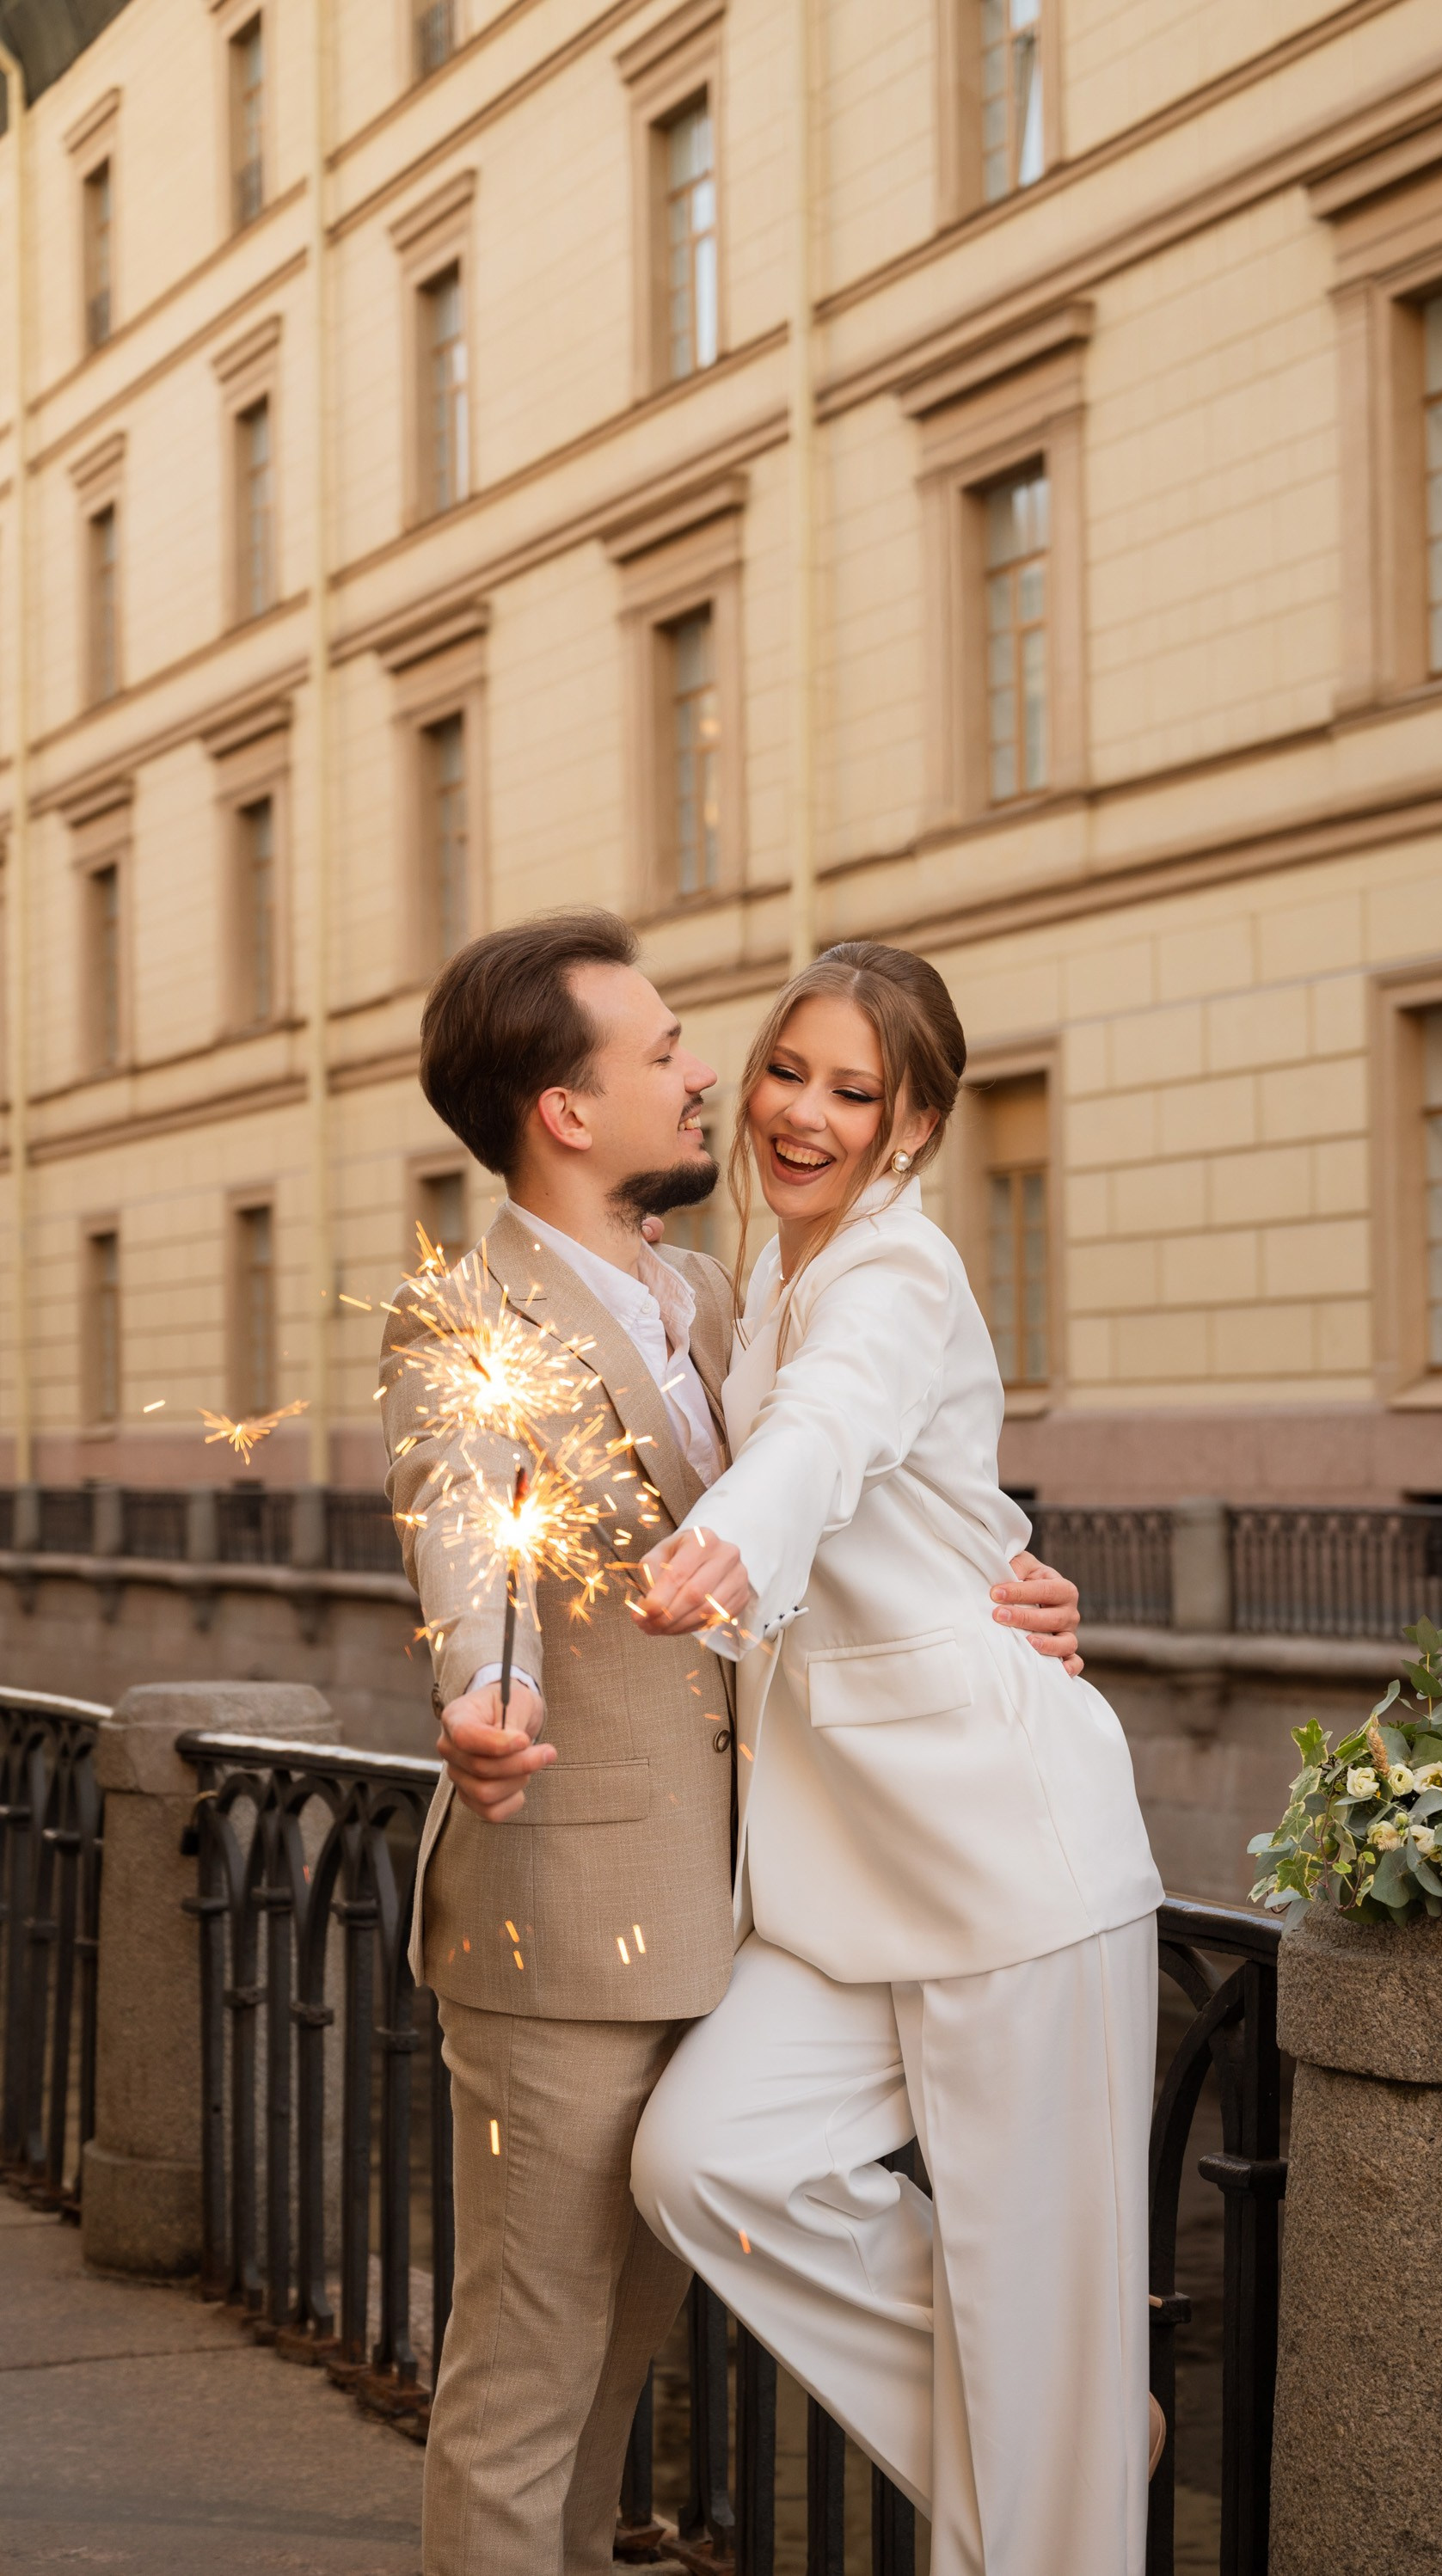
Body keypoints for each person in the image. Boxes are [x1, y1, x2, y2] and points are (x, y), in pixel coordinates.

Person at [378, 910, 1088, 2576]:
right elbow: (465, 1511)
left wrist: (1017, 1574)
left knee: (612, 2384)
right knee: (522, 2386)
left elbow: (859, 1466)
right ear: (565, 1107)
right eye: (664, 1051)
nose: (707, 1074)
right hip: (562, 1932)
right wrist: (486, 1689)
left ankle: (1043, 2404)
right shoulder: (461, 1316)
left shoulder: (721, 1288)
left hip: (748, 1915)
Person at [629, 941, 1164, 2575]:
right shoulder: (768, 1273)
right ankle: (1069, 2419)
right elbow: (930, 1498)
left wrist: (729, 1539)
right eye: (786, 1069)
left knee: (1032, 2333)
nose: (800, 1112)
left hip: (1012, 1868)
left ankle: (1059, 2437)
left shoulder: (895, 1273)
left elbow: (833, 1433)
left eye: (852, 1092)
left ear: (913, 1126)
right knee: (703, 2162)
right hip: (846, 1875)